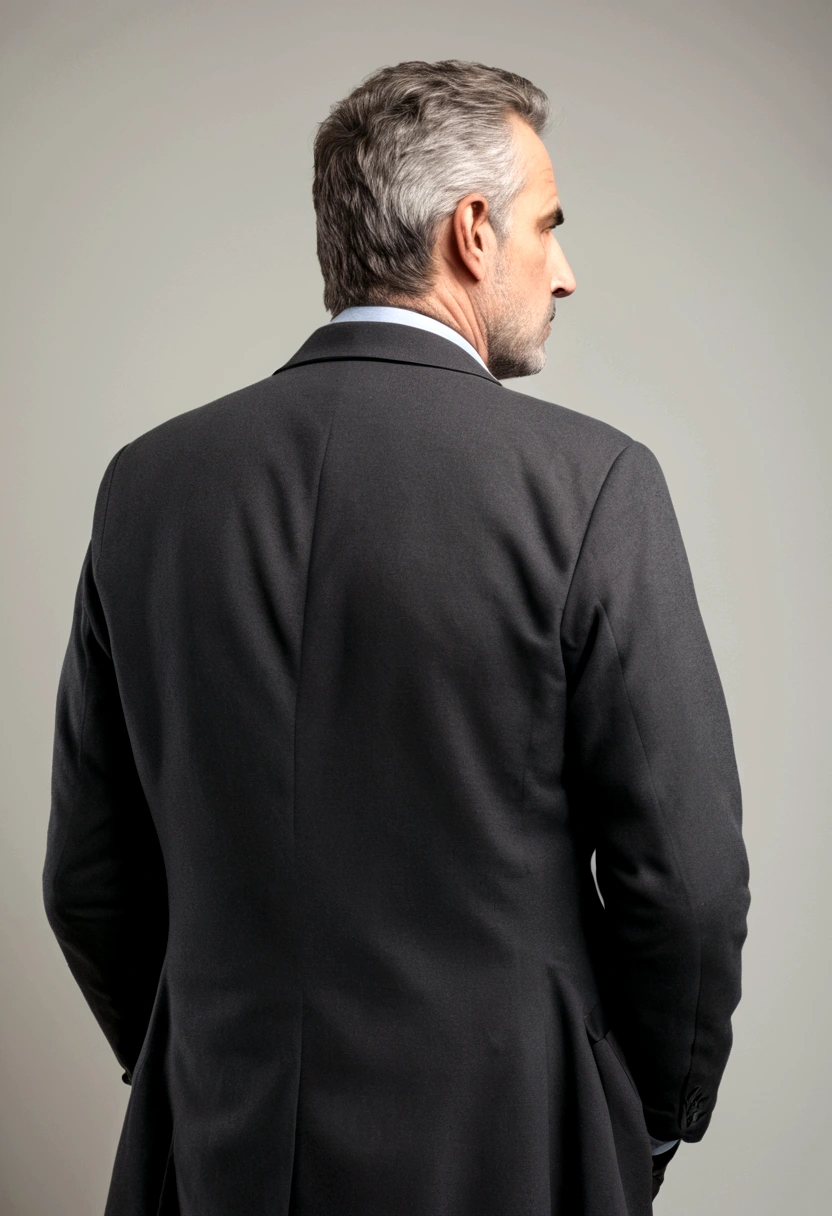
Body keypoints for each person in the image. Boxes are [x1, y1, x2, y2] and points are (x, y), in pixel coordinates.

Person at [43, 59, 750, 1215]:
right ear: (471, 232)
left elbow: (89, 876)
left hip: (220, 1152)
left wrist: (203, 1067)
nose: (563, 273)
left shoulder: (147, 488)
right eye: (547, 226)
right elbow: (688, 882)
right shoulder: (591, 485)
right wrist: (640, 1118)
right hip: (517, 1152)